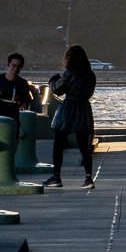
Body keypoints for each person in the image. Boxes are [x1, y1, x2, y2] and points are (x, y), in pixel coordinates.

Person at [45, 43, 97, 188]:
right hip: (84, 109)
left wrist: (53, 80)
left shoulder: (70, 73)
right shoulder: (90, 75)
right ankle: (88, 178)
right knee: (83, 146)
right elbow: (90, 93)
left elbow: (58, 89)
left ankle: (56, 177)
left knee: (59, 143)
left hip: (69, 109)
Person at [0, 53, 37, 134]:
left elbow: (26, 102)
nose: (15, 68)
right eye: (13, 65)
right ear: (8, 65)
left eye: (18, 66)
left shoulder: (23, 83)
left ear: (21, 68)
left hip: (13, 123)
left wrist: (23, 104)